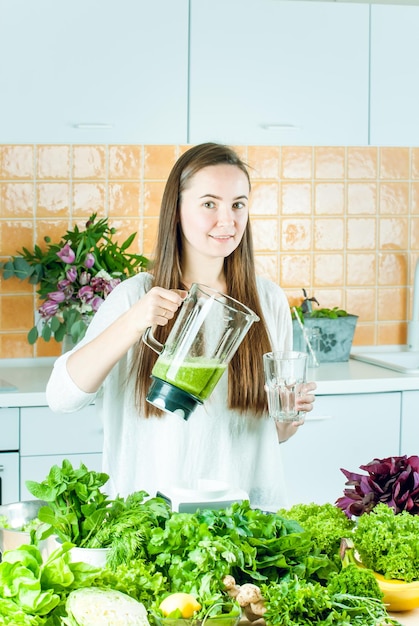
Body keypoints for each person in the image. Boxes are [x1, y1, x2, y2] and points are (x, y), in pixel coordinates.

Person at [46, 142, 316, 511]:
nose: (228, 220)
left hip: (246, 522)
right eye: (209, 204)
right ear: (177, 210)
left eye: (238, 204)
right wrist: (136, 321)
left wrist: (289, 416)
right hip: (151, 524)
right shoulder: (136, 296)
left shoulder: (267, 301)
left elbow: (266, 436)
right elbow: (61, 397)